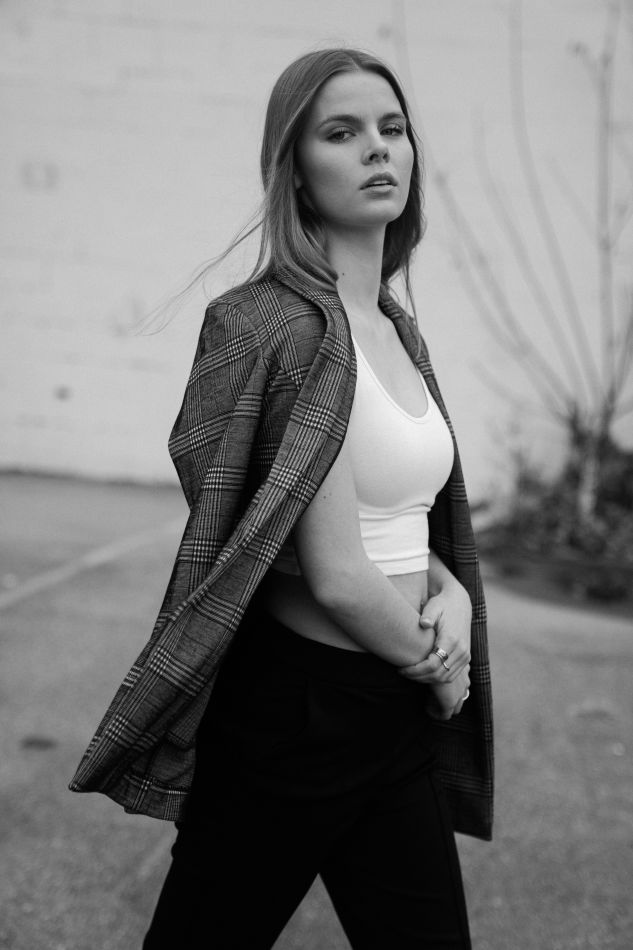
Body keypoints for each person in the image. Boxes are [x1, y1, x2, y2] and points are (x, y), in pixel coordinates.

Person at [69, 48, 493, 949]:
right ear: (294, 171)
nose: (377, 147)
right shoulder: (274, 326)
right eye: (341, 132)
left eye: (391, 127)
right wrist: (439, 666)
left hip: (389, 712)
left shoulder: (395, 328)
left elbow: (402, 519)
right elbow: (334, 572)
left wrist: (450, 592)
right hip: (297, 716)